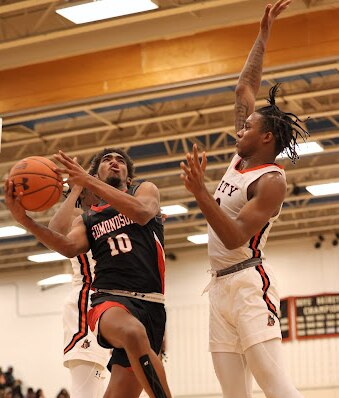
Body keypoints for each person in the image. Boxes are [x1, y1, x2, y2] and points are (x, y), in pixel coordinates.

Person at [180, 1, 308, 397]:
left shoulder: (271, 181)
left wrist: (201, 193)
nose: (240, 128)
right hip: (218, 287)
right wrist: (263, 34)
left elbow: (236, 236)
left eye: (248, 125)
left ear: (266, 137)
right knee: (233, 392)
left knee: (275, 385)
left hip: (249, 284)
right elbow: (244, 87)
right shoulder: (241, 155)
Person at [5, 148, 171, 398]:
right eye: (106, 160)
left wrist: (87, 180)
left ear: (129, 178)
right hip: (110, 300)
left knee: (119, 392)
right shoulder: (88, 219)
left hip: (152, 305)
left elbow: (142, 212)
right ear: (96, 176)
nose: (113, 162)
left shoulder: (144, 191)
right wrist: (25, 221)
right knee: (132, 332)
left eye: (119, 160)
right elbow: (66, 245)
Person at [48, 182, 110, 398]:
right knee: (86, 393)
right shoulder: (81, 217)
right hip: (86, 304)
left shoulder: (116, 215)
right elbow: (54, 231)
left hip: (112, 307)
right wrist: (75, 188)